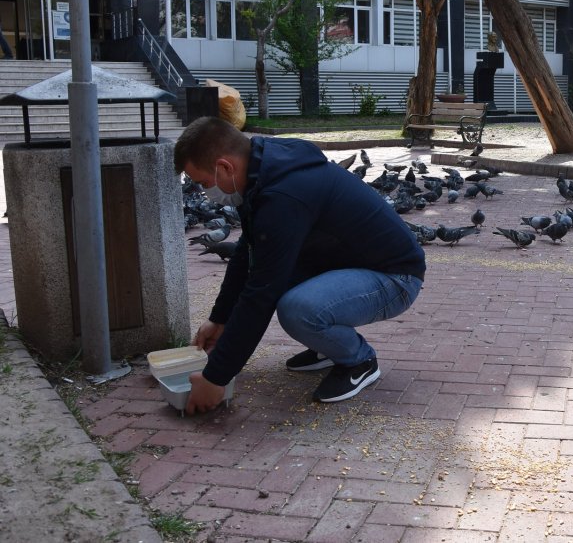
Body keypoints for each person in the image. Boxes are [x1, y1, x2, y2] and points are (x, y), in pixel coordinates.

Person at [173, 117, 425, 414]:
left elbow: (261, 292)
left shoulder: (283, 194)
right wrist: (220, 319)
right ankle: (327, 347)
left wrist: (216, 377)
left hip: (396, 278)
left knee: (298, 309)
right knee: (281, 280)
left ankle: (359, 360)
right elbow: (249, 250)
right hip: (347, 263)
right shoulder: (263, 169)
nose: (205, 193)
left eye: (204, 183)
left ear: (226, 167)